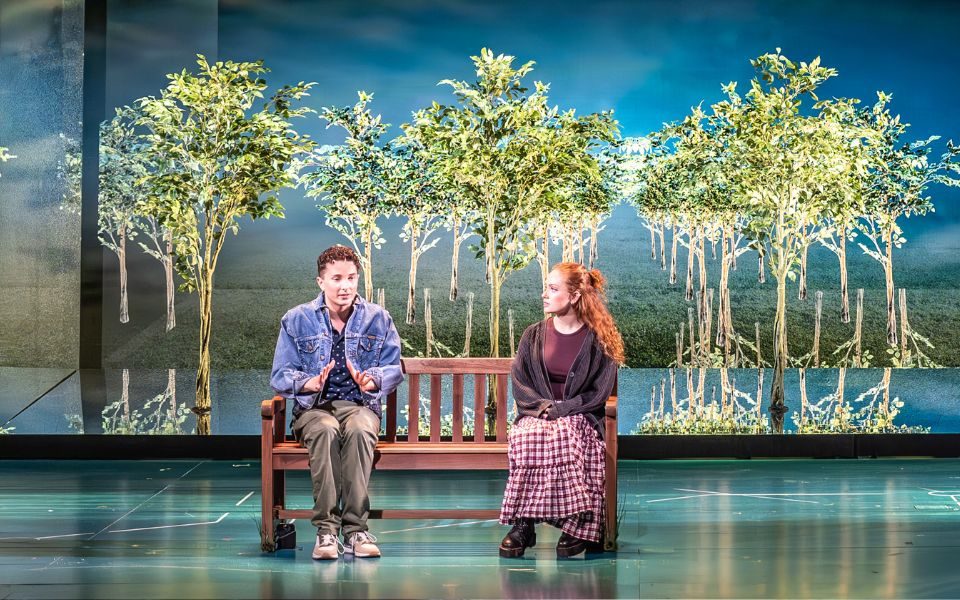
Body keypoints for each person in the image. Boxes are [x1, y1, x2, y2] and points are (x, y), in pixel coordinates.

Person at [270, 245, 403, 560]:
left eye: (352, 278)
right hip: (315, 409)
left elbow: (393, 368)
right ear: (321, 282)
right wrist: (310, 382)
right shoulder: (296, 319)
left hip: (360, 406)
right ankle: (327, 532)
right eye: (337, 278)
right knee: (326, 429)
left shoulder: (378, 318)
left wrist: (372, 379)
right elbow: (280, 375)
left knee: (358, 429)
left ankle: (356, 530)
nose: (345, 286)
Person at [499, 262, 624, 558]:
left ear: (575, 296)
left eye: (553, 289)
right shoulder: (533, 335)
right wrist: (543, 409)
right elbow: (520, 381)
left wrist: (565, 409)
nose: (544, 295)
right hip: (537, 415)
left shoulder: (597, 338)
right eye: (546, 288)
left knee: (567, 437)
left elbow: (600, 391)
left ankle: (576, 525)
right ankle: (523, 524)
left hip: (579, 416)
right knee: (528, 438)